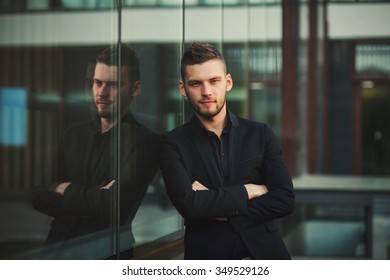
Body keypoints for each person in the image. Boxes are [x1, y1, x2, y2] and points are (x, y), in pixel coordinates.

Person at [159, 41, 295, 260]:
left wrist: (218, 208)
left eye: (214, 81)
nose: (206, 92)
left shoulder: (260, 133)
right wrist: (250, 190)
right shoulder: (172, 143)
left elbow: (284, 199)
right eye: (196, 84)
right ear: (183, 89)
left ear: (228, 82)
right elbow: (190, 205)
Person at [32, 44, 160, 259]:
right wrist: (95, 200)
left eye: (114, 85)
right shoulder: (73, 135)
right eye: (97, 83)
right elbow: (38, 194)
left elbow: (115, 206)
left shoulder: (146, 142)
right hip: (58, 250)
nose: (102, 93)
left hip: (108, 254)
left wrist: (65, 187)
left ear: (136, 89)